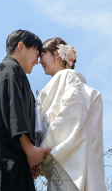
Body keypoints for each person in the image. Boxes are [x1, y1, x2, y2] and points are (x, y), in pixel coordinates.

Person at [0, 30, 52, 191]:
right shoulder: (8, 70)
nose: (37, 61)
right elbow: (13, 115)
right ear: (21, 46)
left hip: (13, 168)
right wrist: (30, 151)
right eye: (36, 53)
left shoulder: (15, 73)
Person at [36, 37, 105, 191]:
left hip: (65, 158)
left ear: (57, 54)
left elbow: (71, 114)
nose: (40, 61)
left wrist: (42, 151)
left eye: (43, 55)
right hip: (59, 157)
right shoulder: (62, 79)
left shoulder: (69, 77)